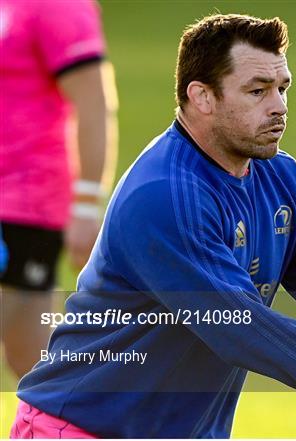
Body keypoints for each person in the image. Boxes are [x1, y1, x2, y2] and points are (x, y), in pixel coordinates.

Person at [11, 14, 296, 439]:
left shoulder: (279, 177)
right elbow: (239, 328)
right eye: (257, 91)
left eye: (283, 88)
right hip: (80, 429)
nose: (278, 106)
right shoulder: (164, 196)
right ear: (202, 98)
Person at [0, 0, 118, 378]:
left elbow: (93, 102)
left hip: (21, 201)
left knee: (28, 349)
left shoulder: (57, 5)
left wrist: (86, 203)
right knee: (29, 355)